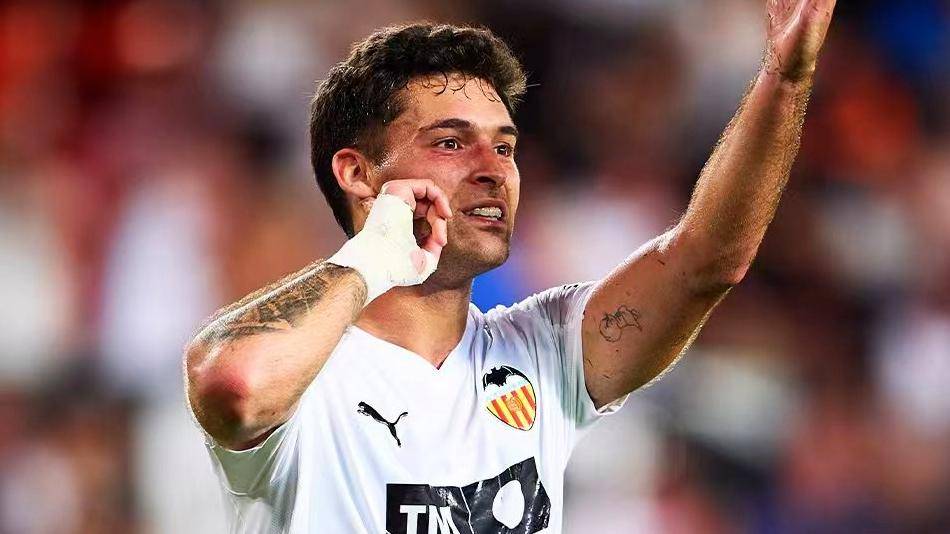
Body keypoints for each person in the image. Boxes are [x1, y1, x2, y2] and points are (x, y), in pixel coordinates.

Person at [185, 2, 837, 532]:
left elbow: (705, 262)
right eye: (450, 142)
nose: (493, 170)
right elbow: (235, 387)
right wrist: (373, 258)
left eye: (504, 147)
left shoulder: (543, 351)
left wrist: (785, 78)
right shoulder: (307, 372)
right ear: (357, 174)